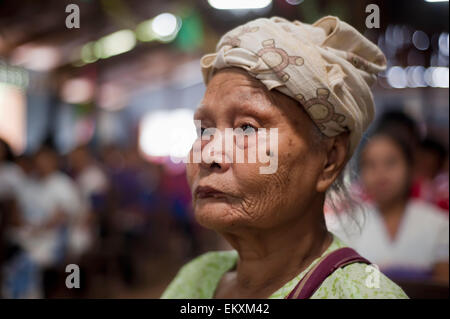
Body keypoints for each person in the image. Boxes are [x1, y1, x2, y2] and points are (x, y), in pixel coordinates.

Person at [161, 16, 407, 299]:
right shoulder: (197, 278)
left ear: (329, 159)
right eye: (204, 129)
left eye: (246, 128)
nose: (208, 154)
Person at [328, 130, 449, 283]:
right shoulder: (346, 225)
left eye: (390, 162)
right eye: (370, 165)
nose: (380, 173)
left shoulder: (440, 225)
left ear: (410, 168)